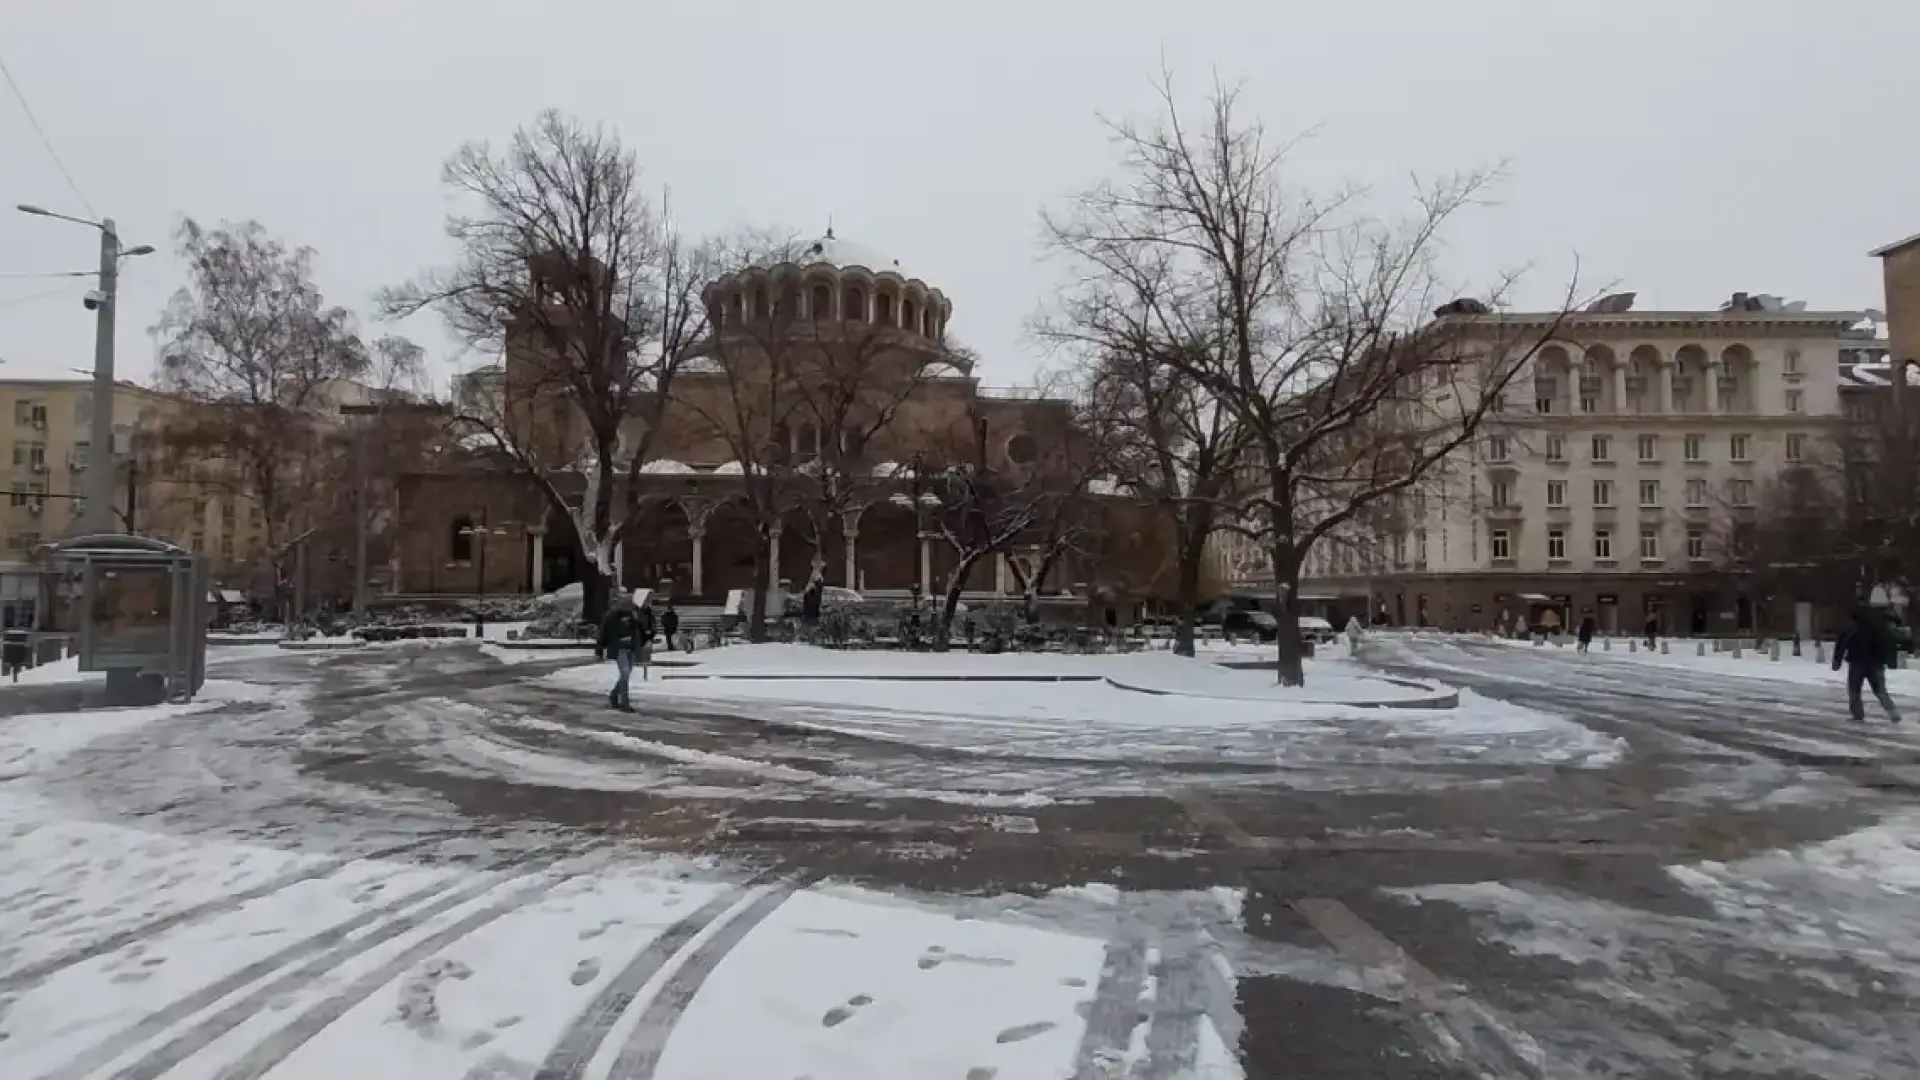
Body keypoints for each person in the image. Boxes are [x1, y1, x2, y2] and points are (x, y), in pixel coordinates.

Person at [1834, 605, 1904, 724]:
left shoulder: (1853, 629)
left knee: (1854, 691)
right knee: (1881, 691)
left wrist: (1837, 661)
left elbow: (1842, 643)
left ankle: (1858, 715)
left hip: (1857, 663)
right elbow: (1889, 643)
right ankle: (1894, 713)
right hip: (1875, 664)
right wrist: (1891, 661)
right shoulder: (1879, 628)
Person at [597, 592, 648, 711]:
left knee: (626, 675)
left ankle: (614, 695)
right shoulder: (611, 617)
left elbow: (638, 631)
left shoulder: (632, 616)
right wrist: (600, 648)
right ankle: (625, 703)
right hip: (619, 648)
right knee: (625, 673)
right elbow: (604, 633)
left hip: (630, 647)